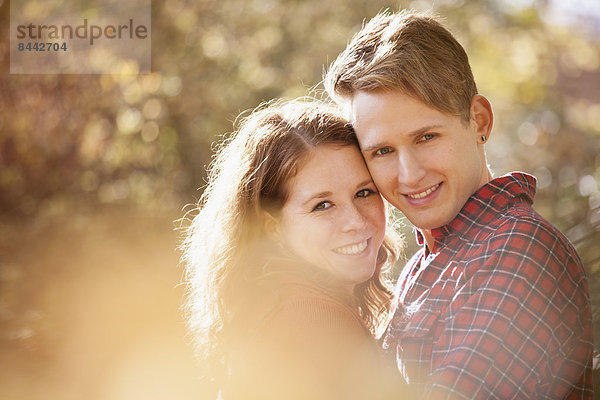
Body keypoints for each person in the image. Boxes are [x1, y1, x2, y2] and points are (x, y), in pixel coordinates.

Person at [324, 9, 593, 399]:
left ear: (479, 121)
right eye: (382, 151)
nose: (409, 174)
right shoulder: (426, 263)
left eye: (426, 137)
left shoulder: (519, 250)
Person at [180, 99, 410, 399]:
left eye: (363, 192)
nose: (355, 221)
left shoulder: (280, 306)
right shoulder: (316, 322)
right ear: (272, 226)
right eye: (322, 205)